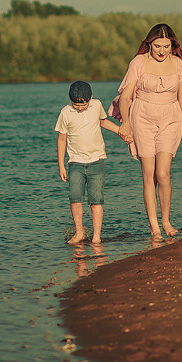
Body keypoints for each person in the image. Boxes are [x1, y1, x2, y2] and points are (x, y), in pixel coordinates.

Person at [113, 23, 182, 238]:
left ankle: (166, 221)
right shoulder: (138, 62)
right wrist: (126, 123)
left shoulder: (178, 65)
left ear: (172, 45)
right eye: (157, 45)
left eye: (166, 46)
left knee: (163, 173)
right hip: (142, 118)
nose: (161, 51)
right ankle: (154, 227)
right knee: (149, 174)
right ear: (149, 44)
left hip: (171, 118)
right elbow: (125, 96)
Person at [55, 80, 124, 245]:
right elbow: (62, 139)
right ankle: (79, 232)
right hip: (75, 163)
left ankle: (96, 236)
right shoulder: (65, 112)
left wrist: (120, 131)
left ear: (91, 98)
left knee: (96, 200)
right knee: (75, 199)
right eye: (75, 105)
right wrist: (61, 165)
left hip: (97, 161)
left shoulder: (96, 105)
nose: (79, 107)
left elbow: (102, 121)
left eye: (83, 104)